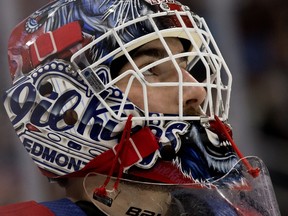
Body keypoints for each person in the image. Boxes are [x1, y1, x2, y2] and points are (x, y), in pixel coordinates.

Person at [0, 0, 280, 215]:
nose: (197, 90)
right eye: (150, 71)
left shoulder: (226, 211)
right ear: (65, 106)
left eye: (185, 67)